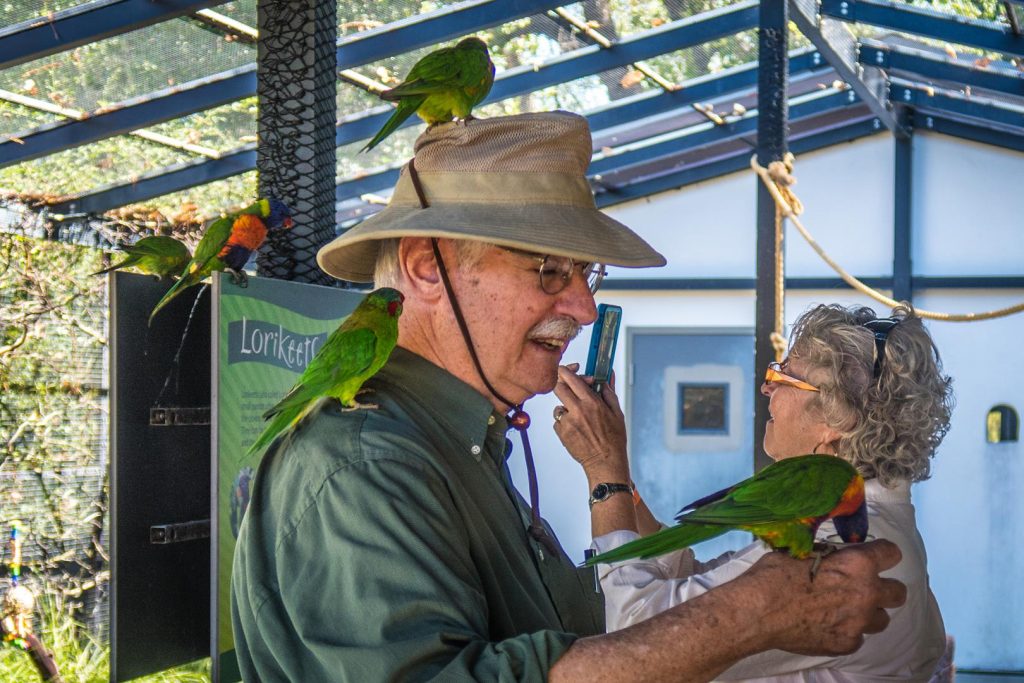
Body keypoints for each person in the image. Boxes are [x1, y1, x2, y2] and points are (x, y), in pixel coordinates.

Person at [231, 112, 907, 683]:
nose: (584, 307)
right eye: (548, 270)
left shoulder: (456, 439)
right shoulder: (364, 463)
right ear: (423, 267)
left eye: (587, 273)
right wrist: (747, 616)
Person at [555, 303, 952, 681]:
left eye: (783, 377)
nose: (765, 388)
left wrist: (603, 466)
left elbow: (639, 640)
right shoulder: (861, 523)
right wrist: (620, 479)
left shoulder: (847, 547)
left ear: (838, 419)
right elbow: (700, 587)